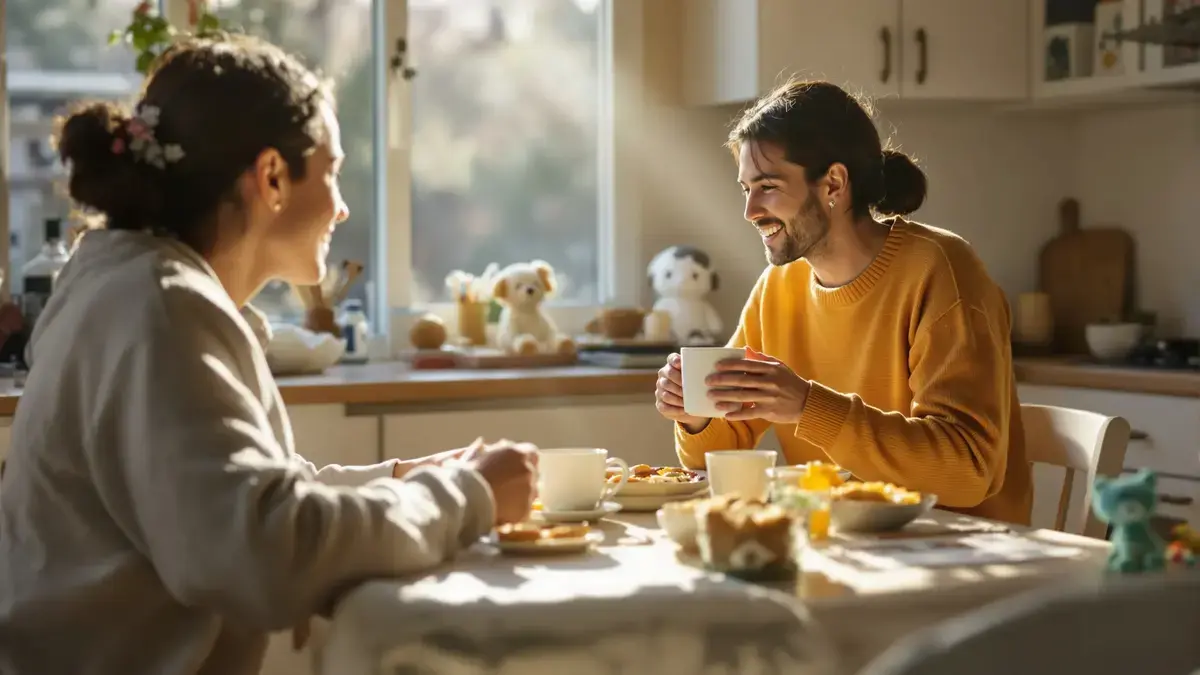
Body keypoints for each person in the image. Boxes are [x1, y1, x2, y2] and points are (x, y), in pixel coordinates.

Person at [0, 34, 538, 675]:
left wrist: (399, 479)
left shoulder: (131, 285)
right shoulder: (160, 308)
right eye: (332, 171)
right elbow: (266, 552)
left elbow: (239, 496)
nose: (341, 207)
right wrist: (467, 496)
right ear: (272, 177)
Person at [654, 79, 1032, 525]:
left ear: (833, 183)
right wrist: (694, 411)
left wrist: (808, 407)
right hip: (843, 546)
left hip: (966, 555)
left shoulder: (940, 271)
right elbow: (713, 454)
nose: (750, 210)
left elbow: (968, 471)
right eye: (746, 189)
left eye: (768, 186)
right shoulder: (778, 289)